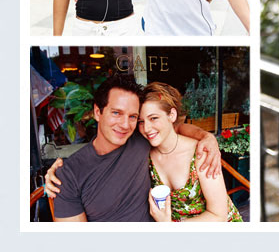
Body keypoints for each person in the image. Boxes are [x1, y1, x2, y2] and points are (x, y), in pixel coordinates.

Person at [43, 75, 220, 222]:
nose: (125, 124)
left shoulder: (142, 137)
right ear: (98, 112)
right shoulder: (67, 175)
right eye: (116, 113)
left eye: (133, 116)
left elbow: (174, 128)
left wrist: (207, 137)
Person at [141, 82, 242, 222]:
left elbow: (219, 216)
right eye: (141, 121)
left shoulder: (200, 153)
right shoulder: (145, 155)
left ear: (172, 115)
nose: (146, 128)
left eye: (154, 118)